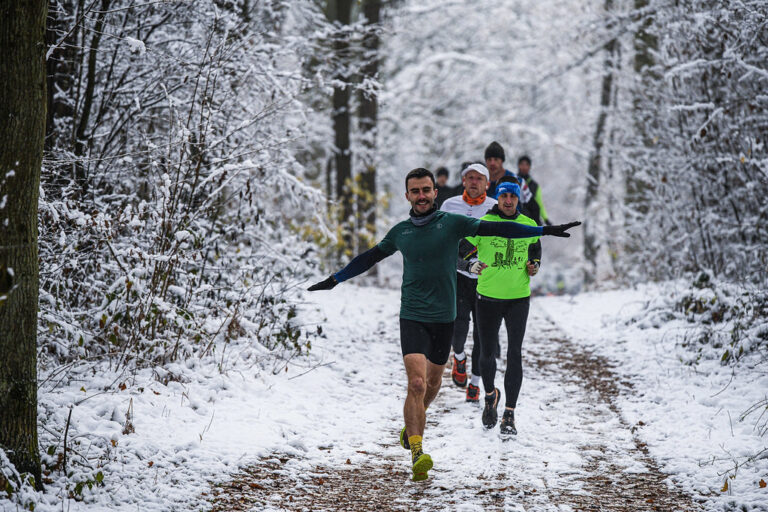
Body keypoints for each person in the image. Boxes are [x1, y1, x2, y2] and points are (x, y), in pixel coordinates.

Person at [308, 168, 579, 481]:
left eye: (426, 190)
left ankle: (413, 420)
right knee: (417, 384)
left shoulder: (452, 223)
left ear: (435, 192)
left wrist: (543, 231)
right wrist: (335, 279)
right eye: (415, 191)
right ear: (407, 196)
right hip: (411, 315)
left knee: (433, 385)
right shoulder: (401, 232)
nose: (421, 196)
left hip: (444, 317)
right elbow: (369, 257)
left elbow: (500, 231)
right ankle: (417, 452)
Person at [464, 180, 541, 436]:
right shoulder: (484, 224)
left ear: (518, 199)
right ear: (497, 198)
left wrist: (534, 264)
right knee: (486, 353)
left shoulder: (529, 224)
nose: (509, 201)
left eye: (513, 197)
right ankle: (489, 396)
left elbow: (536, 250)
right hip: (487, 297)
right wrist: (471, 261)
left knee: (515, 353)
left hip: (519, 298)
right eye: (504, 196)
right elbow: (462, 244)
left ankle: (509, 413)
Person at [439, 163, 496, 402]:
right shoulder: (449, 205)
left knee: (483, 333)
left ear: (487, 183)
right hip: (458, 276)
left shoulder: (495, 207)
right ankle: (459, 357)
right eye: (469, 177)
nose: (474, 182)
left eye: (479, 178)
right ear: (463, 181)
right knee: (458, 328)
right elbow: (441, 238)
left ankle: (475, 383)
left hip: (486, 278)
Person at [517, 155, 550, 226]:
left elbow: (539, 204)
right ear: (518, 166)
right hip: (516, 220)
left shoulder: (535, 186)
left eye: (526, 165)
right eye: (522, 164)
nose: (524, 167)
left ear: (529, 167)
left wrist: (546, 219)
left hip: (531, 222)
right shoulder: (512, 181)